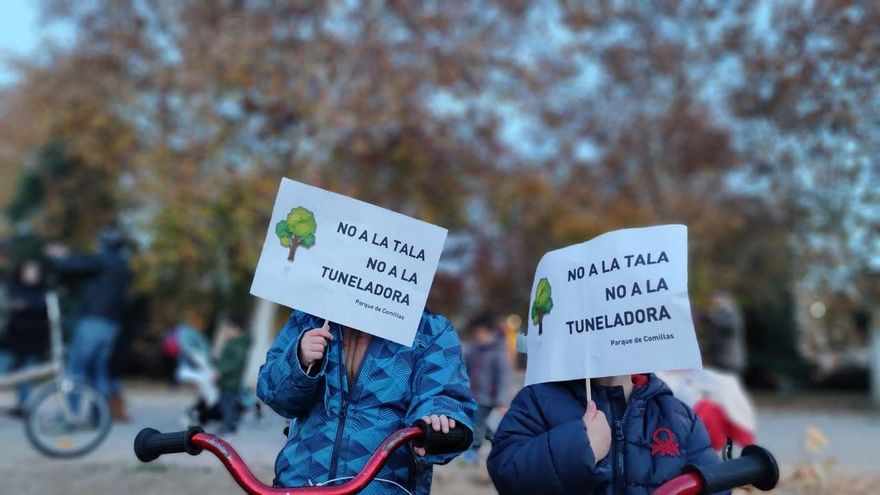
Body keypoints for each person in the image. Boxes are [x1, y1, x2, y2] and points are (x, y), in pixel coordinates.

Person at [257, 310, 476, 495]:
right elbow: (273, 392)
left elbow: (445, 394)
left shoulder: (431, 331)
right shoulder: (310, 316)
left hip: (383, 486)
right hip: (301, 484)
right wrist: (299, 358)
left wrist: (437, 418)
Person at [487, 374, 725, 494]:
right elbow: (507, 473)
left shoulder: (677, 415)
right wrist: (581, 448)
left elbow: (715, 484)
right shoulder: (538, 399)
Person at [46, 228, 132, 421]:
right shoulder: (122, 265)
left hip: (94, 322)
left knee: (76, 369)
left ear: (104, 243)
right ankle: (99, 417)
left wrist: (59, 256)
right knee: (98, 372)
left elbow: (71, 267)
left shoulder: (103, 260)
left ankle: (69, 416)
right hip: (111, 325)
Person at [461, 312, 510, 464]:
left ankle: (473, 450)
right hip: (472, 395)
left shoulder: (498, 353)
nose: (478, 337)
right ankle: (495, 438)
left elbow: (502, 379)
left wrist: (501, 401)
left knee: (477, 423)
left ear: (491, 333)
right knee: (479, 423)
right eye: (476, 334)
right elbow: (464, 366)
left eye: (481, 334)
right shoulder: (473, 350)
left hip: (487, 398)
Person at [4, 259, 51, 413]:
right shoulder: (15, 287)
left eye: (34, 271)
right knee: (7, 371)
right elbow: (16, 304)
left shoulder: (43, 290)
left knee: (27, 374)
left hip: (34, 341)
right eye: (29, 271)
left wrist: (27, 305)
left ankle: (23, 406)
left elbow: (40, 305)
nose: (32, 274)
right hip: (14, 340)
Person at [213, 315, 251, 434]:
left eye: (228, 328)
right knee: (227, 403)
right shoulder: (233, 342)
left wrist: (221, 371)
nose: (225, 331)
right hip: (227, 380)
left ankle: (227, 425)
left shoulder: (238, 344)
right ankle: (231, 423)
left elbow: (236, 363)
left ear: (236, 329)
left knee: (227, 404)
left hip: (231, 381)